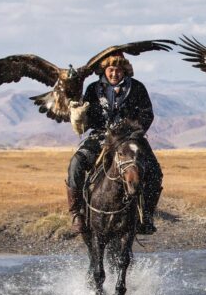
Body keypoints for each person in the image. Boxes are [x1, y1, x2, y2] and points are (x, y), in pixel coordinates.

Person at [66, 53, 163, 235]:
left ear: (125, 70)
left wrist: (134, 133)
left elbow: (147, 114)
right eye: (111, 70)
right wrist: (79, 116)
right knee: (75, 165)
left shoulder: (137, 88)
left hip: (130, 138)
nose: (114, 74)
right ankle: (77, 214)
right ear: (105, 70)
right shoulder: (94, 89)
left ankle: (147, 216)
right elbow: (88, 121)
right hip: (101, 137)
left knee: (155, 173)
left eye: (118, 70)